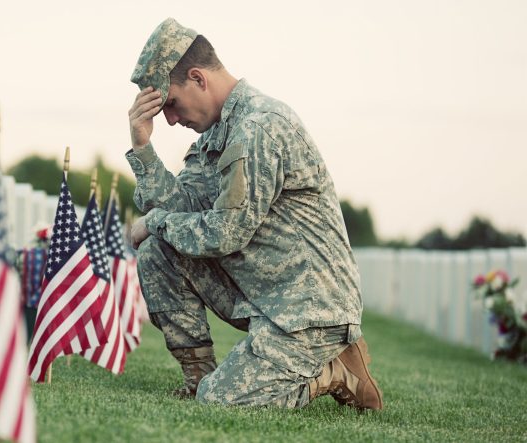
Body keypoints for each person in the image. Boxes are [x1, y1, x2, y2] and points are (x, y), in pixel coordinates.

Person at [125, 18, 383, 409]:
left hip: (309, 309)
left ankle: (334, 370)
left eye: (171, 105)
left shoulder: (258, 128)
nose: (172, 120)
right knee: (157, 252)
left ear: (197, 78)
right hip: (264, 291)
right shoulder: (215, 133)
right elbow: (184, 208)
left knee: (222, 400)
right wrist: (143, 148)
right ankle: (198, 377)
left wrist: (152, 222)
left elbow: (225, 233)